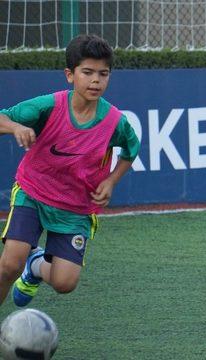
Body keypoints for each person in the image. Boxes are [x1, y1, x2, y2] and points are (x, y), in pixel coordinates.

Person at [0, 34, 140, 306]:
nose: (96, 80)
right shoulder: (47, 106)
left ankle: (36, 266)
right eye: (87, 72)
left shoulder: (114, 121)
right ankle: (23, 265)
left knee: (65, 283)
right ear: (70, 75)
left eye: (103, 73)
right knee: (8, 265)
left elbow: (131, 150)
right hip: (34, 193)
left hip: (76, 208)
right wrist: (17, 127)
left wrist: (112, 181)